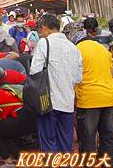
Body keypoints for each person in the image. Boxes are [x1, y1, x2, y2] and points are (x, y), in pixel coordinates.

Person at [30, 14, 82, 153]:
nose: (39, 34)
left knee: (48, 144)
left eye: (39, 30)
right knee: (65, 145)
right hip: (67, 103)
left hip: (47, 102)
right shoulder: (74, 47)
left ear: (44, 27)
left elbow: (35, 71)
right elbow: (78, 78)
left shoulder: (44, 43)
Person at [74, 35, 113, 163]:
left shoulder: (77, 50)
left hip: (88, 99)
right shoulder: (104, 50)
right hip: (109, 98)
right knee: (108, 137)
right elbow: (112, 73)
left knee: (88, 138)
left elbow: (75, 75)